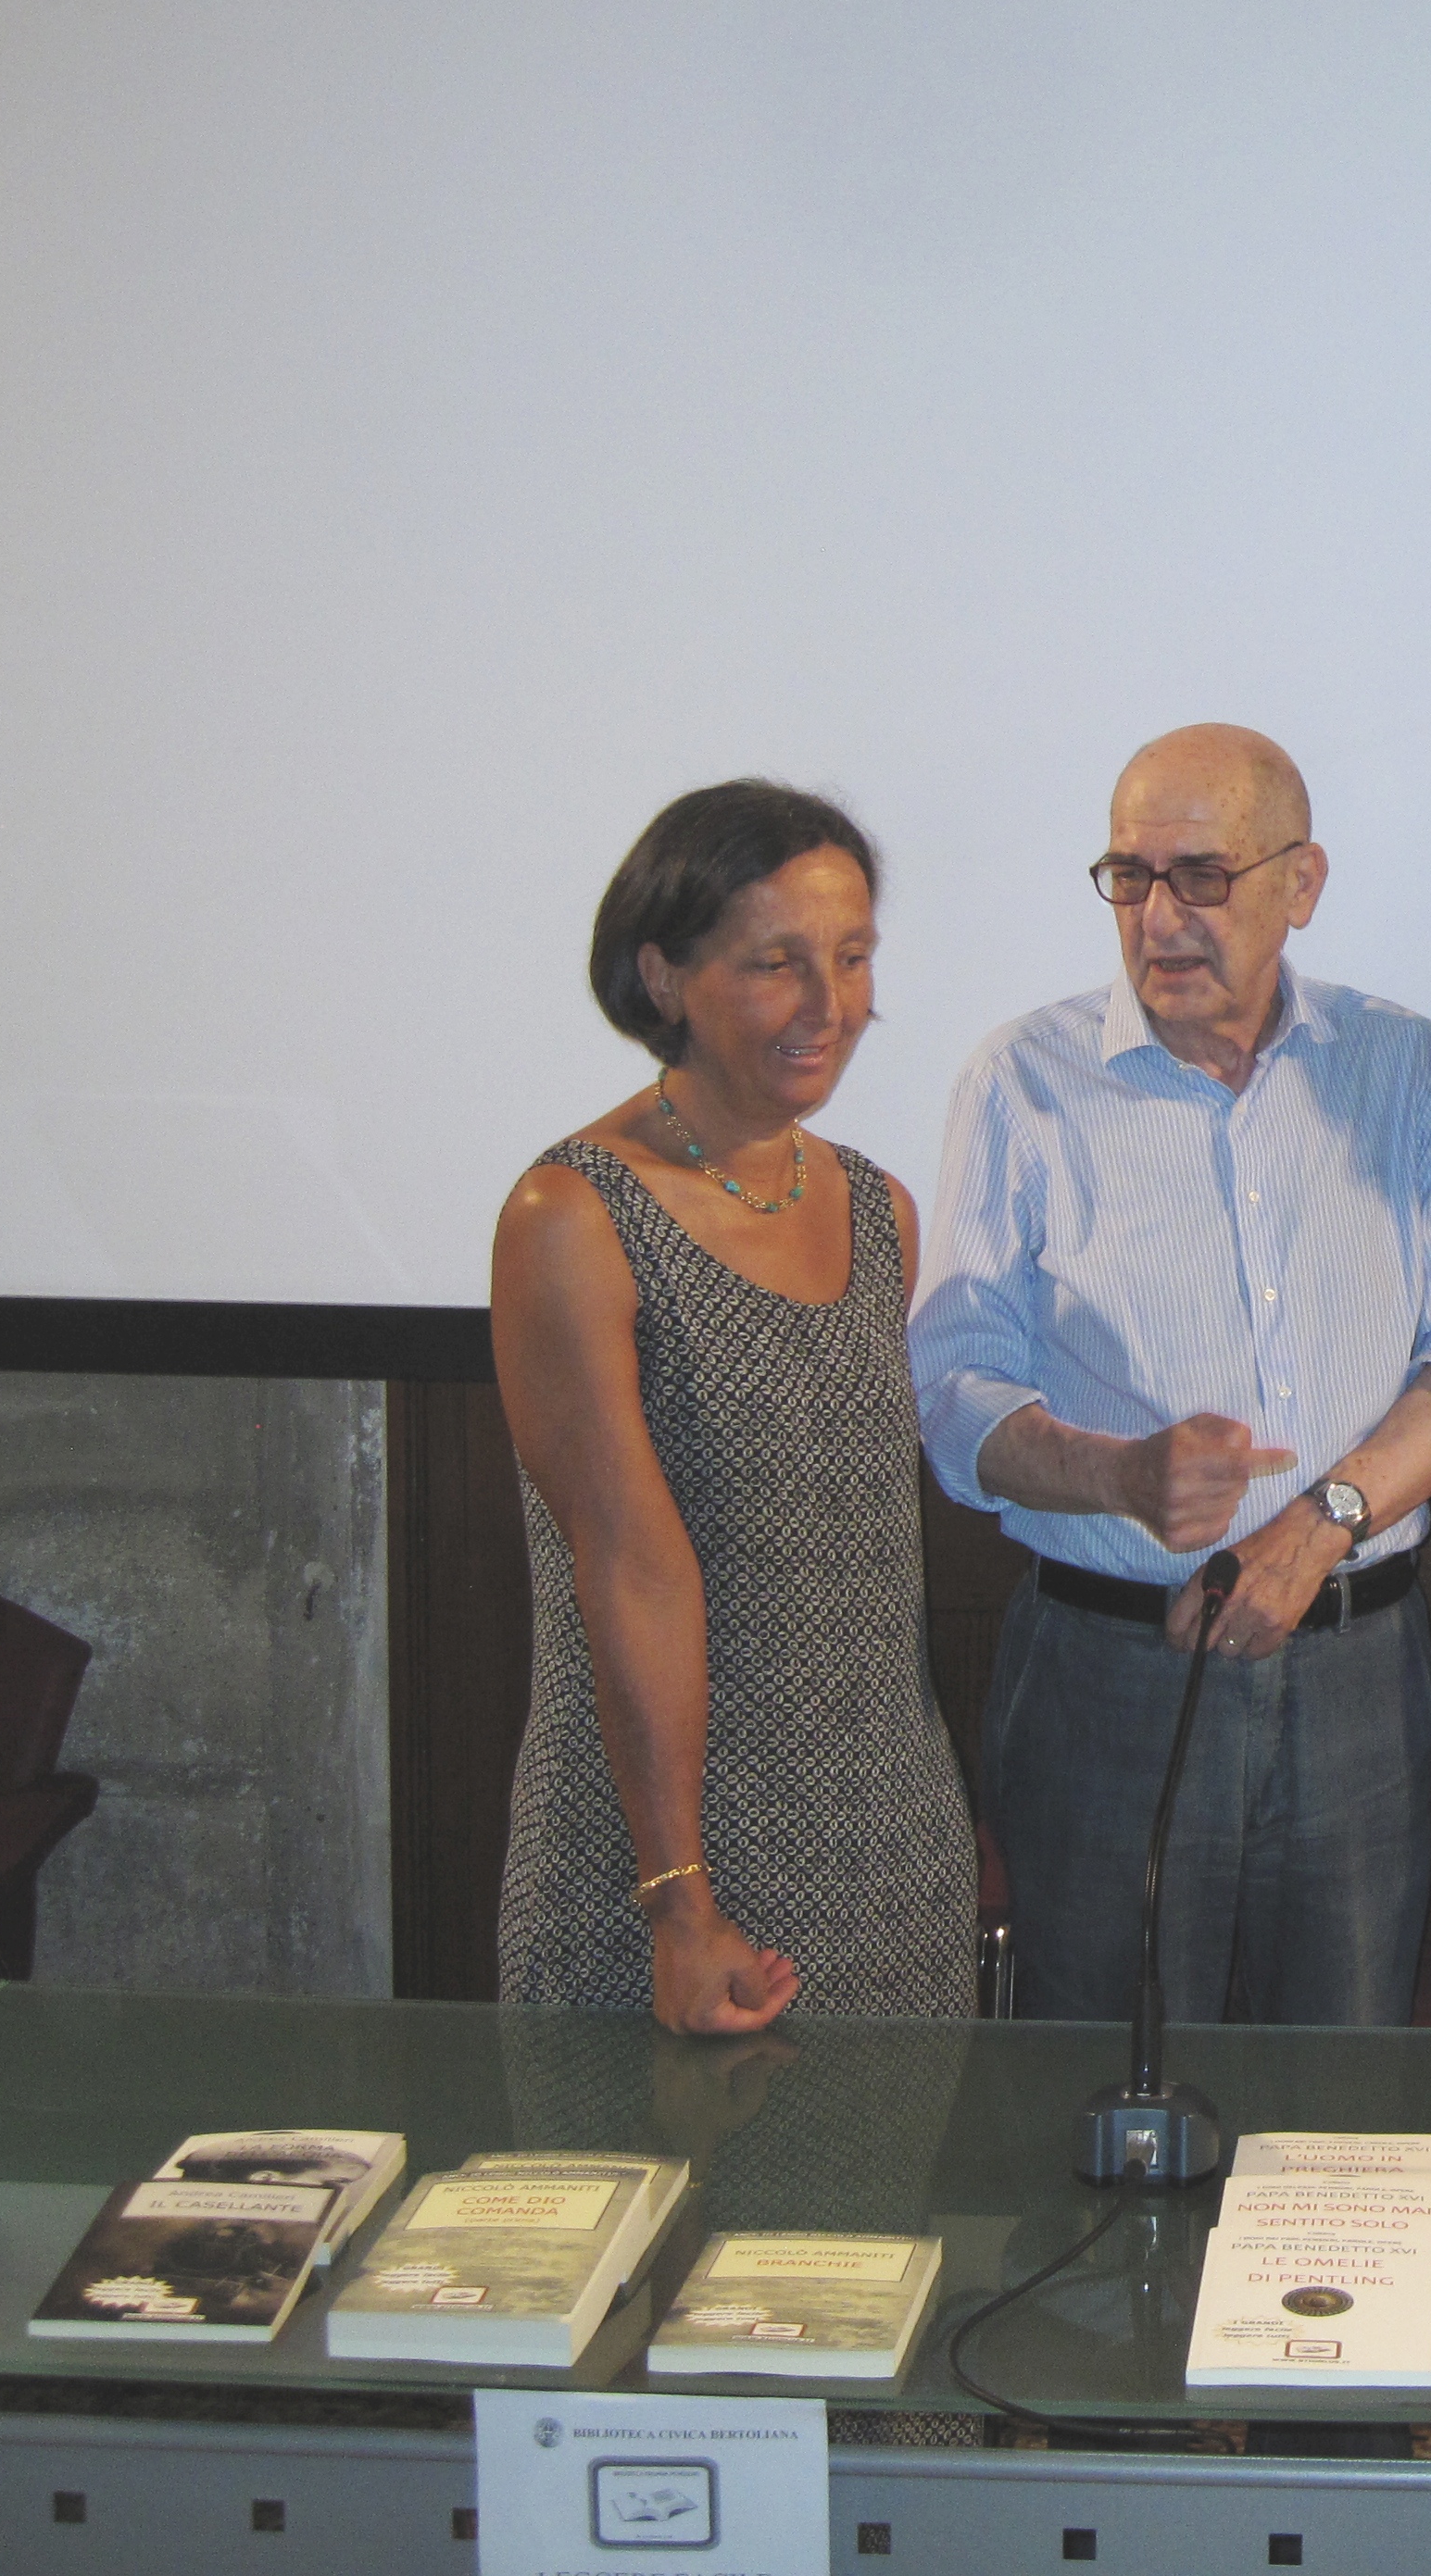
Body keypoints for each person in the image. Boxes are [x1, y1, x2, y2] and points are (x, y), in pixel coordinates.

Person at [910, 724, 1431, 2029]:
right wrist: (1115, 1474)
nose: (1159, 918)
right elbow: (955, 1393)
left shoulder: (1400, 1065)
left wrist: (1322, 1523)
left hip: (1359, 1674)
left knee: (1337, 2098)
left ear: (1301, 884)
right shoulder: (1021, 1082)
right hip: (1109, 1671)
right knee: (1106, 2082)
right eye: (1129, 877)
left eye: (1201, 876)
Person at [489, 780, 976, 2031]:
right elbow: (631, 1572)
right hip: (664, 1874)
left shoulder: (878, 1208)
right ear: (665, 976)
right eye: (776, 964)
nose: (830, 1005)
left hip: (893, 1867)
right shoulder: (574, 1215)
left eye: (852, 958)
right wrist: (678, 1902)